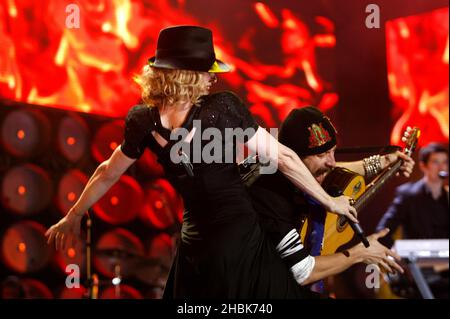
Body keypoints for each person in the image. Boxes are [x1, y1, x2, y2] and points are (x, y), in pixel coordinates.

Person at [46, 25, 359, 298]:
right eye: (207, 72)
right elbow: (107, 172)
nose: (212, 78)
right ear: (187, 76)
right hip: (215, 239)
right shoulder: (182, 116)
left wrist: (73, 215)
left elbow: (283, 156)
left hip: (218, 240)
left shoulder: (183, 115)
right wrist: (73, 215)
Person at [247, 106, 413, 289]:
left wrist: (382, 163)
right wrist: (360, 253)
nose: (332, 161)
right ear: (292, 158)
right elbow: (302, 272)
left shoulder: (300, 176)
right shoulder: (269, 194)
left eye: (333, 151)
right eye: (321, 154)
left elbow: (330, 170)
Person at [376, 142, 449, 247]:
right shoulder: (407, 194)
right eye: (435, 162)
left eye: (445, 162)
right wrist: (399, 253)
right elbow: (383, 230)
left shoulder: (447, 196)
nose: (442, 167)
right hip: (415, 260)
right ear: (423, 166)